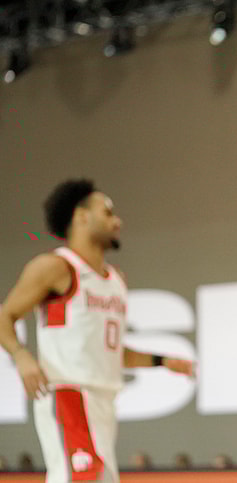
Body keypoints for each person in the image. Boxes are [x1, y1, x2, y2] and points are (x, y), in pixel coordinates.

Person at [0, 179, 194, 483]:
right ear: (81, 216)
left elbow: (113, 351)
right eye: (108, 213)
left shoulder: (116, 280)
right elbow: (5, 315)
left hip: (103, 402)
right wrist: (22, 356)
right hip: (68, 393)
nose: (118, 221)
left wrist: (161, 361)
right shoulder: (56, 266)